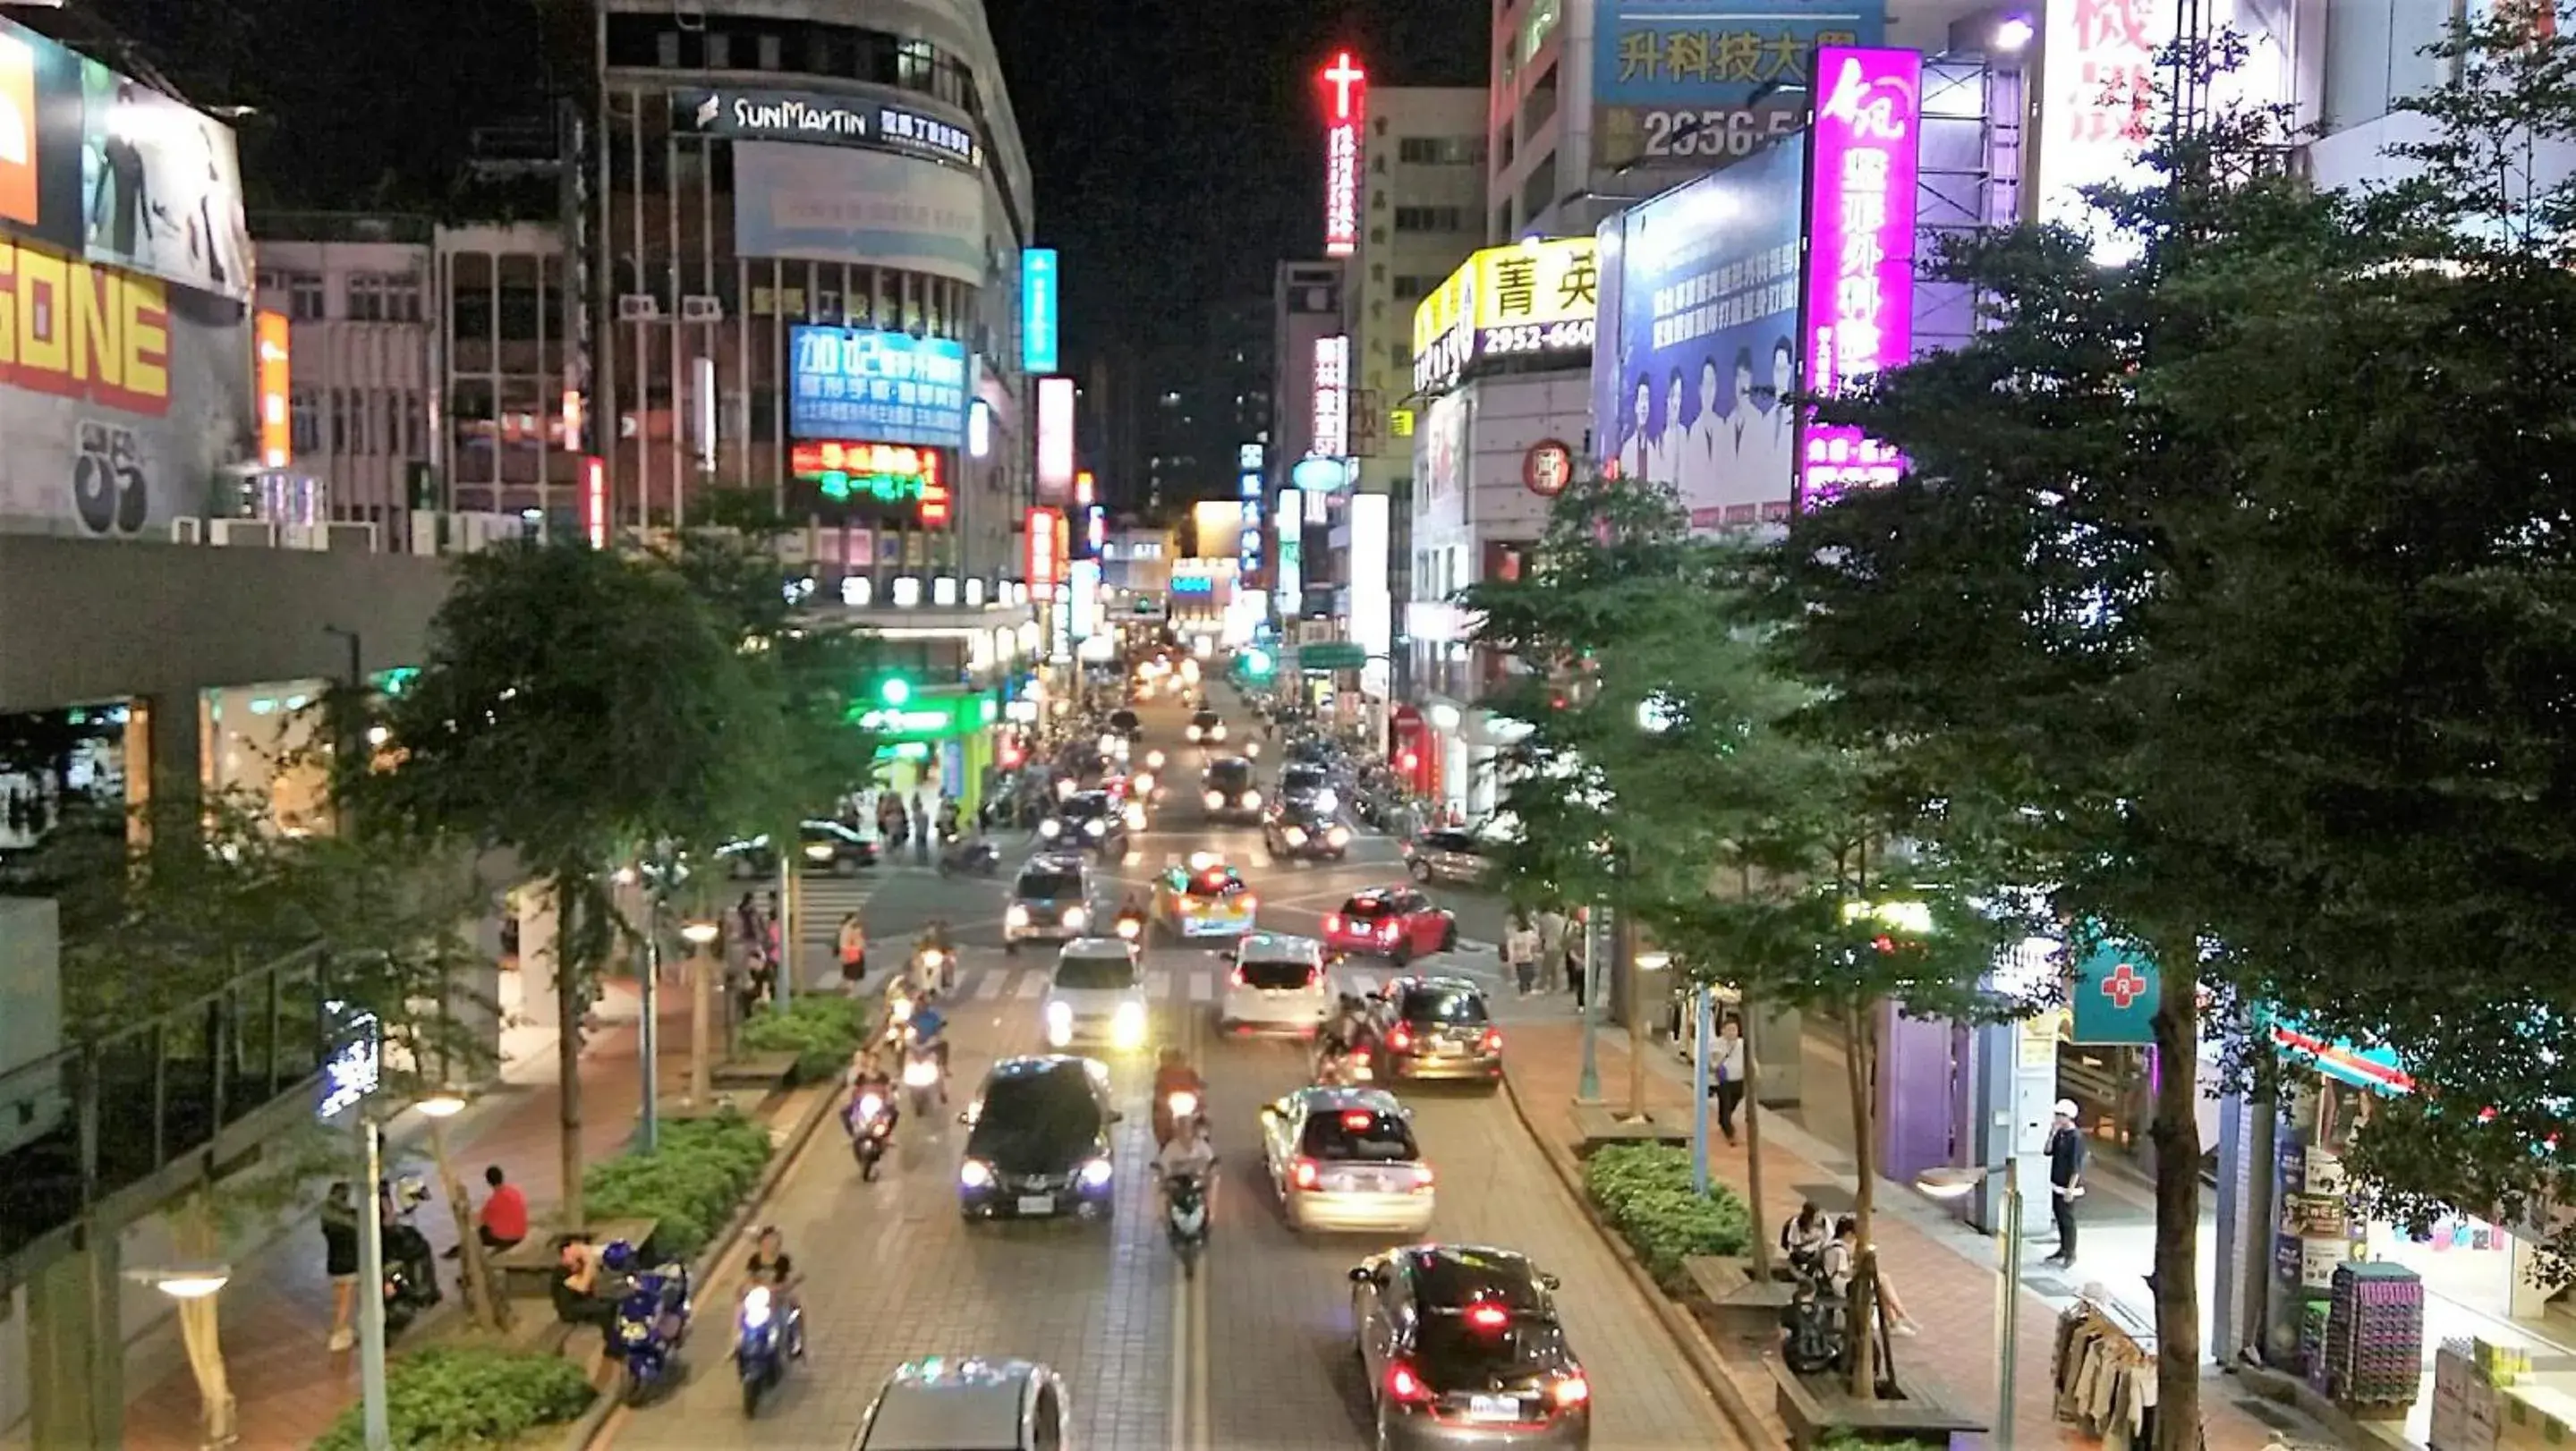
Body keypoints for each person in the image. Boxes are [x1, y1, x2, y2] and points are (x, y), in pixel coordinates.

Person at [1821, 1216, 1920, 1336]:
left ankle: (1897, 1320)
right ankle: (1901, 1316)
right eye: (1853, 1235)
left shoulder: (1832, 1245)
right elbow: (1844, 1273)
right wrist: (1858, 1267)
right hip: (1842, 1286)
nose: (1854, 1239)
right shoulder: (1839, 1250)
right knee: (1882, 1280)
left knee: (1881, 1284)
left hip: (1838, 1282)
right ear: (1847, 1233)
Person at [548, 1235, 620, 1353]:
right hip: (570, 1308)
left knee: (613, 1302)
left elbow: (592, 1283)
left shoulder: (578, 1266)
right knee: (604, 1309)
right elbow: (582, 1287)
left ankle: (616, 1340)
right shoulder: (561, 1270)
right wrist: (589, 1263)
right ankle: (613, 1348)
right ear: (566, 1251)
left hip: (584, 1302)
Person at [743, 1226, 804, 1356]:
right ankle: (739, 1341)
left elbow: (791, 1278)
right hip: (760, 1299)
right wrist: (745, 1288)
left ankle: (796, 1340)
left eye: (774, 1240)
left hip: (779, 1298)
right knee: (742, 1312)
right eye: (767, 1240)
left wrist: (787, 1285)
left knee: (794, 1306)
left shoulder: (783, 1260)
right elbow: (748, 1279)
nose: (770, 1243)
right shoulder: (755, 1260)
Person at [2045, 1098, 2087, 1269]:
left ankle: (2071, 1252)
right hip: (2057, 1182)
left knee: (2068, 1220)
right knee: (2060, 1217)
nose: (2056, 1118)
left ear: (2068, 1117)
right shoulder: (2060, 1134)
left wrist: (2070, 1188)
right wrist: (2051, 1133)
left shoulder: (2075, 1138)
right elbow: (2047, 1151)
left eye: (2059, 1115)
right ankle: (2062, 1248)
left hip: (2068, 1185)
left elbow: (2076, 1166)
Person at [321, 1182, 362, 1351]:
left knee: (339, 1298)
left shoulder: (327, 1220)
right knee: (346, 1300)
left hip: (334, 1263)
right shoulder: (351, 1219)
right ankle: (340, 1332)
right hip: (349, 1264)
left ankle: (341, 1328)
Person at [1153, 1114, 1220, 1216]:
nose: (1185, 1132)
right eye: (1182, 1128)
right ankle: (1166, 1217)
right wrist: (1162, 1177)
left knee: (1215, 1181)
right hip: (1177, 1187)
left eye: (1187, 1128)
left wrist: (1211, 1171)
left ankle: (1210, 1214)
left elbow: (1211, 1162)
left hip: (1197, 1186)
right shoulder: (1171, 1148)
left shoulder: (1202, 1146)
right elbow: (1162, 1167)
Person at [1708, 1016, 1748, 1144]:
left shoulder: (1742, 1044)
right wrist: (1718, 1061)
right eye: (1729, 1029)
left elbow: (1750, 1060)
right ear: (1723, 1031)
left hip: (1739, 1080)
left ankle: (1723, 1120)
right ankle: (1729, 1133)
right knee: (1725, 1105)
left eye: (1734, 1029)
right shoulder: (1716, 1045)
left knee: (1732, 1104)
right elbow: (1712, 1064)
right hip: (1724, 1081)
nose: (1732, 1032)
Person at [477, 1165, 528, 1252]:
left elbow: (482, 1219)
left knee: (480, 1232)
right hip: (521, 1234)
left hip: (508, 1239)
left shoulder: (493, 1201)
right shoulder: (515, 1192)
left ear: (489, 1182)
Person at [1779, 1201, 1830, 1277]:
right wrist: (1812, 1241)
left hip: (1818, 1250)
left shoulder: (1824, 1221)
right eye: (1816, 1217)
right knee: (1816, 1259)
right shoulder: (1796, 1224)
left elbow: (1830, 1236)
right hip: (1801, 1252)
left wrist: (1822, 1246)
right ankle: (1807, 1276)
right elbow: (1794, 1246)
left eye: (1819, 1216)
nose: (1819, 1218)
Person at [1534, 904, 1569, 993]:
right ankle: (1555, 986)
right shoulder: (1559, 918)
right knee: (1554, 967)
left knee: (1546, 967)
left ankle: (1540, 987)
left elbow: (1541, 933)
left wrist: (1539, 945)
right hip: (1559, 944)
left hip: (1550, 945)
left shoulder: (1543, 918)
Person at [1506, 912, 1542, 997]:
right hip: (1528, 957)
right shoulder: (1529, 934)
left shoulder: (1513, 936)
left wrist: (1510, 962)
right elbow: (1536, 943)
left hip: (1518, 959)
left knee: (1521, 977)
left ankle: (1523, 993)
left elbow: (1511, 949)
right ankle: (1528, 991)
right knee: (1528, 976)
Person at [837, 911, 868, 991]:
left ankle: (847, 988)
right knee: (853, 973)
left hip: (848, 953)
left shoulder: (845, 928)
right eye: (855, 918)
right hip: (853, 953)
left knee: (849, 972)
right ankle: (850, 992)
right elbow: (851, 941)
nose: (856, 919)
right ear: (851, 919)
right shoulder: (850, 929)